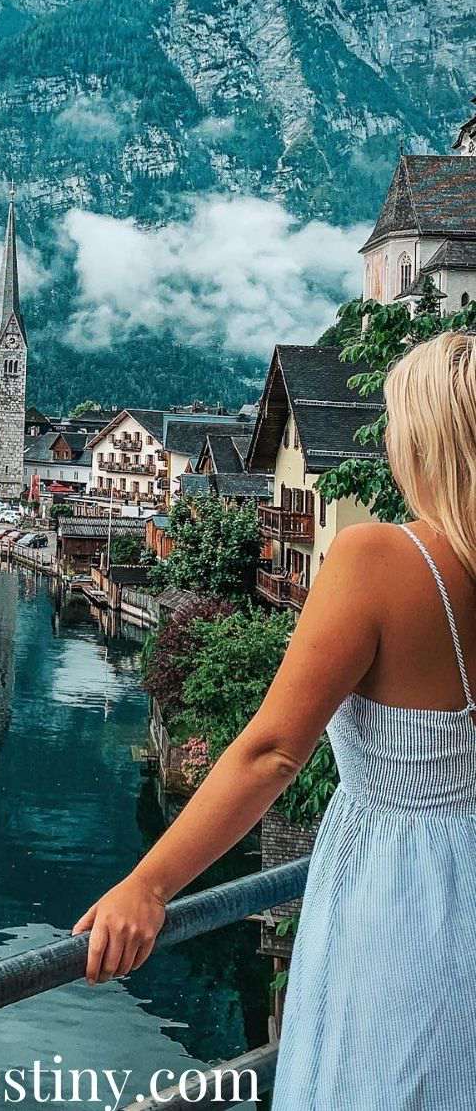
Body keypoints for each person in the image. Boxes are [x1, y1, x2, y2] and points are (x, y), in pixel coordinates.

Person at [73, 331, 476, 1109]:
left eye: (394, 422)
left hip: (398, 892)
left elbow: (270, 754)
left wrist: (148, 886)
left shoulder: (377, 561)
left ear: (424, 438)